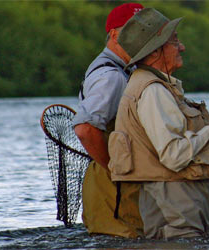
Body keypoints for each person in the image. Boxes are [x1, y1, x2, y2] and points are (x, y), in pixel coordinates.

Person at [108, 8, 209, 239]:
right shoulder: (153, 92)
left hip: (182, 215)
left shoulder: (158, 88)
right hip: (174, 218)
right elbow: (174, 155)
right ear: (156, 51)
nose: (182, 47)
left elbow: (186, 145)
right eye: (175, 41)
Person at [72, 3, 145, 238]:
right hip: (112, 190)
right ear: (114, 34)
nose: (141, 36)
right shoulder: (112, 77)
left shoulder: (122, 69)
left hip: (112, 190)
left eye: (144, 29)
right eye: (133, 29)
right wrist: (115, 171)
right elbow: (85, 129)